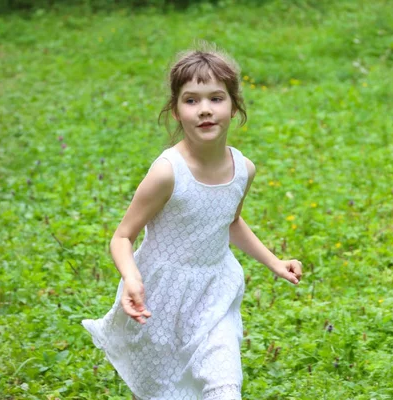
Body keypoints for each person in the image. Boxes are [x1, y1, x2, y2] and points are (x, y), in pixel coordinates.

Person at [82, 44, 303, 400]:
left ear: (234, 106)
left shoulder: (243, 170)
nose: (204, 110)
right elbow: (122, 237)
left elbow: (229, 222)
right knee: (163, 389)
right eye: (191, 100)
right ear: (175, 111)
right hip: (161, 296)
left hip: (215, 293)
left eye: (216, 98)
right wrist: (132, 278)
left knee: (224, 386)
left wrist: (275, 262)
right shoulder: (168, 173)